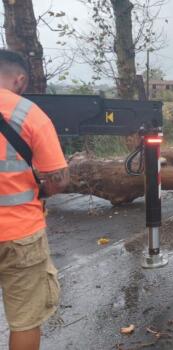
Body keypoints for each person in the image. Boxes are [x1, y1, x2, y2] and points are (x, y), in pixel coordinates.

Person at [0, 50, 69, 350]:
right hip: (19, 235)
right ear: (20, 79)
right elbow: (59, 177)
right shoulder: (29, 114)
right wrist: (45, 191)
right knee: (25, 319)